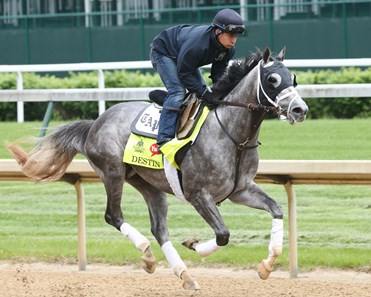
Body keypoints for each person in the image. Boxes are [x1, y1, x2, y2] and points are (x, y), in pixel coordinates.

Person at [149, 8, 245, 148]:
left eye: (236, 36)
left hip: (184, 57)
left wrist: (220, 93)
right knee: (178, 92)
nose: (233, 40)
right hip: (164, 52)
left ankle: (177, 110)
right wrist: (205, 93)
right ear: (218, 31)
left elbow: (218, 75)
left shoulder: (228, 49)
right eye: (230, 35)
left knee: (203, 93)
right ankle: (164, 139)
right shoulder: (198, 46)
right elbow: (184, 73)